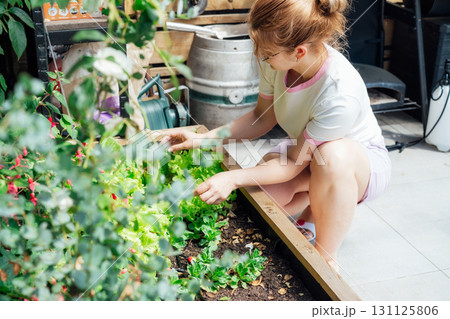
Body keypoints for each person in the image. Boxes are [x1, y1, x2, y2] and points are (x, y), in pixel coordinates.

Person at [162, 0, 391, 273]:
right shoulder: (278, 61)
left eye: (268, 53)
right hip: (306, 150)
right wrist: (206, 138)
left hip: (356, 165)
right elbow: (261, 117)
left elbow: (294, 162)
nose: (261, 57)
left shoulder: (339, 92)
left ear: (299, 51)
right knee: (262, 199)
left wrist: (233, 177)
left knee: (330, 158)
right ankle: (313, 205)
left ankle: (326, 256)